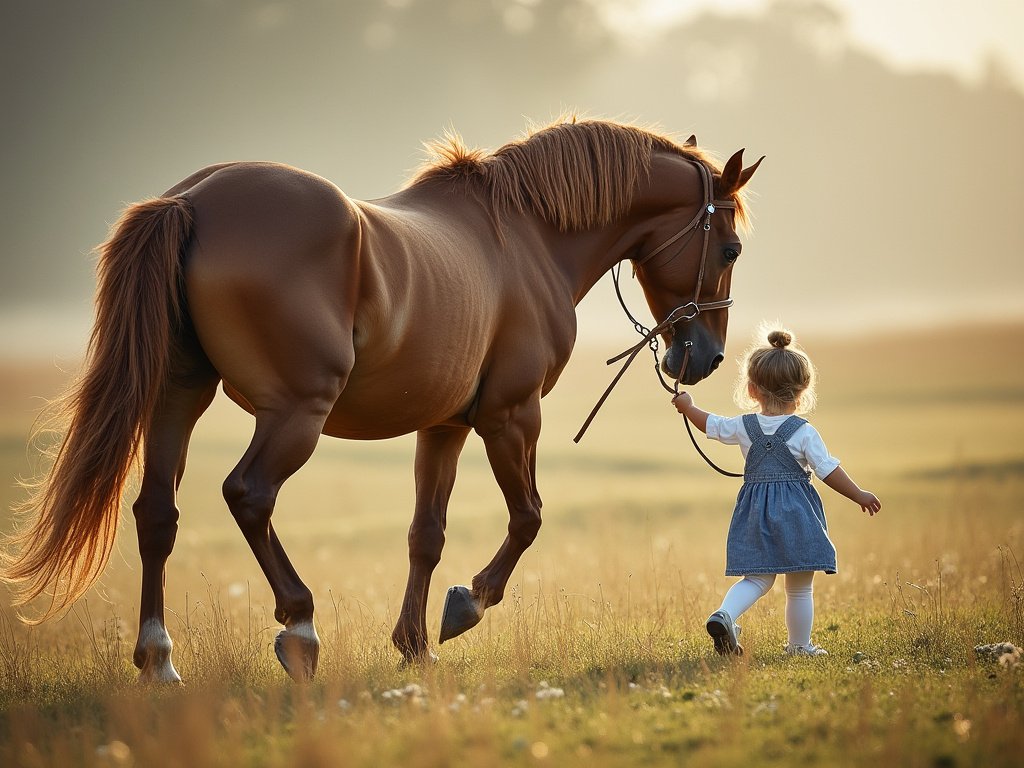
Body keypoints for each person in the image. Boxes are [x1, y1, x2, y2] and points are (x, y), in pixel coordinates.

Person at [671, 328, 881, 657]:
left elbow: (711, 425)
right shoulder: (804, 432)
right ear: (802, 391)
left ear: (752, 389)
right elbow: (827, 470)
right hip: (797, 515)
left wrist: (688, 406)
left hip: (755, 513)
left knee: (756, 579)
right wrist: (859, 494)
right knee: (799, 587)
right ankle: (799, 646)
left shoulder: (743, 426)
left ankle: (725, 615)